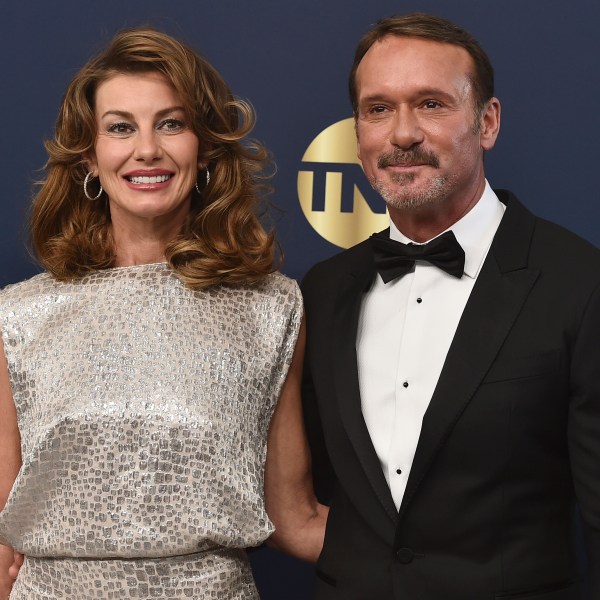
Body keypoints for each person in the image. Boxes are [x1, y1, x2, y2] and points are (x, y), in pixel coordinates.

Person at [0, 27, 326, 599]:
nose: (146, 149)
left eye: (170, 124)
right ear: (90, 154)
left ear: (203, 149)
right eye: (120, 127)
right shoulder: (21, 316)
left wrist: (456, 558)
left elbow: (294, 518)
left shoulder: (269, 311)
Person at [301, 12, 599, 600]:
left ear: (487, 122)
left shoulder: (580, 284)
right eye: (378, 108)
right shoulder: (324, 289)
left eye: (432, 104)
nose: (402, 133)